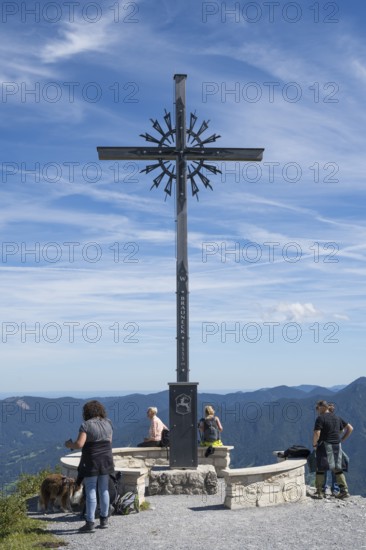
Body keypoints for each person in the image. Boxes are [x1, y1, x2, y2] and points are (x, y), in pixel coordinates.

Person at [65, 400, 114, 532]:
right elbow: (109, 441)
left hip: (91, 460)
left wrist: (69, 445)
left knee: (91, 489)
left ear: (87, 412)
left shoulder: (86, 425)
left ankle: (90, 522)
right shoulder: (108, 422)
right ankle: (104, 519)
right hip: (106, 459)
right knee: (104, 489)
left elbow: (80, 444)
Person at [312, 400, 353, 499]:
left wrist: (314, 444)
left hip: (325, 445)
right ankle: (344, 491)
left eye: (317, 408)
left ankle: (320, 492)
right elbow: (350, 428)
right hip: (337, 445)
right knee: (337, 468)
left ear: (322, 407)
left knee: (320, 467)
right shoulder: (337, 417)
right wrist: (342, 439)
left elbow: (317, 433)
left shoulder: (320, 418)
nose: (317, 410)